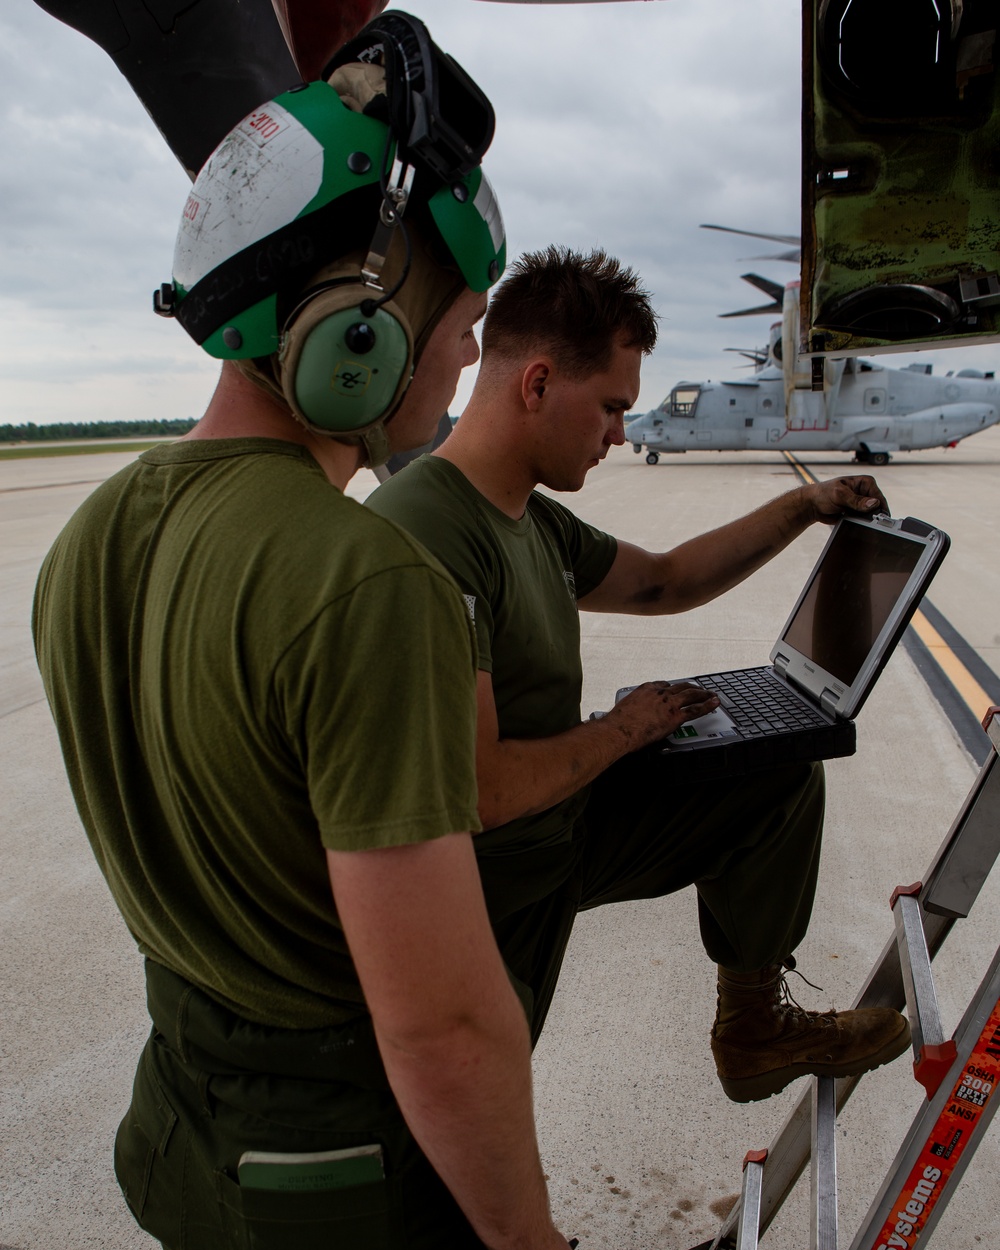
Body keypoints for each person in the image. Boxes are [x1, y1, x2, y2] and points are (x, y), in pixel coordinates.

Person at [32, 18, 586, 1250]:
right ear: (356, 325)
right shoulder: (370, 584)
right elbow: (441, 1024)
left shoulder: (87, 540)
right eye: (452, 329)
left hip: (191, 1135)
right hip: (349, 1195)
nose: (461, 365)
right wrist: (525, 1249)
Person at [366, 245, 911, 1104]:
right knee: (458, 1130)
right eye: (612, 408)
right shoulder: (432, 532)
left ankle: (753, 1029)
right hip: (491, 884)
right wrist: (628, 728)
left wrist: (805, 507)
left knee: (777, 775)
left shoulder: (528, 521)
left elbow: (665, 581)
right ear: (537, 384)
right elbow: (479, 789)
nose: (621, 433)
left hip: (560, 826)